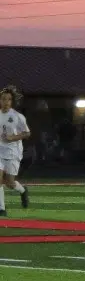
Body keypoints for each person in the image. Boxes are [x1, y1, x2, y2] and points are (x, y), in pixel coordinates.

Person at [0, 85, 30, 216]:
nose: (5, 102)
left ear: (12, 101)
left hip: (13, 152)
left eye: (8, 99)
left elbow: (27, 133)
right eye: (3, 99)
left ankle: (23, 191)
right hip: (0, 151)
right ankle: (2, 209)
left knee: (10, 183)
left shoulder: (18, 116)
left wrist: (12, 137)